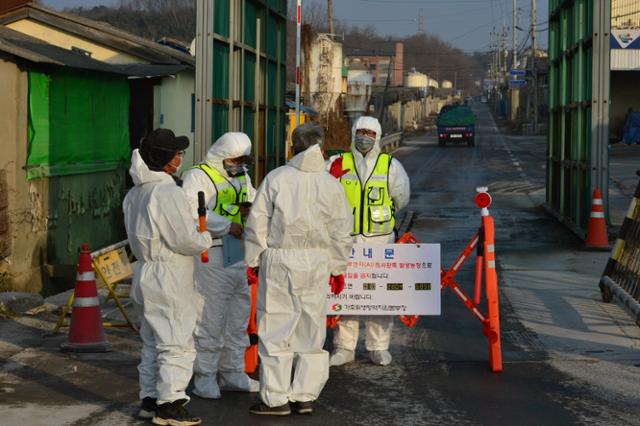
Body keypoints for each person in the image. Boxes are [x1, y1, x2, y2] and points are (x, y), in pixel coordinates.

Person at [244, 123, 353, 416]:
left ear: (294, 146)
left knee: (276, 328)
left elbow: (258, 223)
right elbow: (342, 230)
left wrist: (253, 261)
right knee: (312, 329)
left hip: (280, 260)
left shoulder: (277, 178)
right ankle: (304, 396)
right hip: (317, 262)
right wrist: (338, 267)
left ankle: (276, 399)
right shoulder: (332, 184)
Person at [123, 129, 212, 426]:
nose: (179, 157)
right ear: (164, 158)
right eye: (176, 152)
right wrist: (204, 238)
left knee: (152, 341)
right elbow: (183, 239)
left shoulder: (136, 192)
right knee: (176, 341)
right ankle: (171, 403)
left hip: (145, 271)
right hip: (169, 273)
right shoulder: (167, 192)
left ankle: (149, 398)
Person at [181, 132, 259, 399]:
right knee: (210, 318)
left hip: (236, 252)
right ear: (223, 155)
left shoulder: (240, 176)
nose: (240, 164)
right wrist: (228, 225)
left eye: (243, 159)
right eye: (236, 159)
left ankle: (234, 372)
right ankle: (205, 377)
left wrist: (252, 209)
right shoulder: (198, 176)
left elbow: (252, 198)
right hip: (211, 253)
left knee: (238, 316)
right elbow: (192, 212)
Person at [328, 116, 411, 367]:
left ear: (377, 136)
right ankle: (344, 346)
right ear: (353, 133)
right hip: (345, 240)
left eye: (370, 133)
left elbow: (401, 198)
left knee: (380, 297)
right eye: (361, 131)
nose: (365, 137)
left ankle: (378, 346)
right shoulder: (336, 163)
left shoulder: (390, 165)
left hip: (380, 241)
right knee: (346, 293)